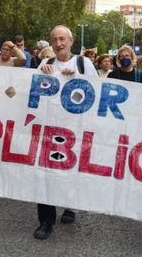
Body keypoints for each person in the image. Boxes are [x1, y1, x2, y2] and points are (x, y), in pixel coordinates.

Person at [34, 25, 98, 240]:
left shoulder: (84, 63)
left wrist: (78, 77)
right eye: (55, 39)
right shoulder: (45, 63)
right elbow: (34, 94)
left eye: (62, 39)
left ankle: (70, 204)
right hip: (49, 128)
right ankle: (45, 221)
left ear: (71, 41)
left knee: (70, 171)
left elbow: (97, 91)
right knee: (45, 174)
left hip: (75, 129)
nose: (59, 43)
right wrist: (40, 76)